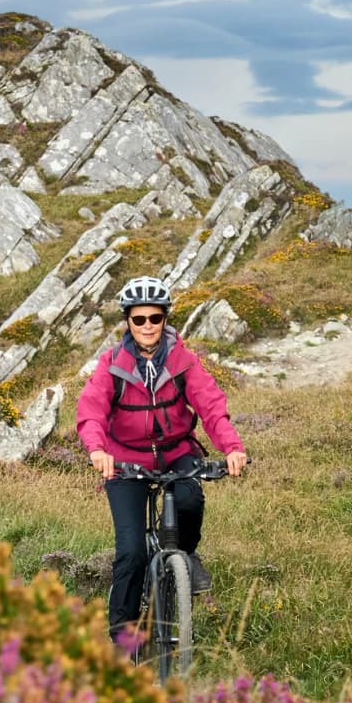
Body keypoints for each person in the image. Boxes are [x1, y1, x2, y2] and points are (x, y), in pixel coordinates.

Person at [75, 275, 248, 648]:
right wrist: (97, 451)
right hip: (124, 462)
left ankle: (184, 556)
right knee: (131, 553)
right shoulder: (111, 365)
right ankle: (123, 644)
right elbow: (90, 411)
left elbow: (211, 407)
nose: (148, 326)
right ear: (128, 322)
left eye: (155, 318)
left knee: (190, 499)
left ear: (166, 320)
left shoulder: (185, 362)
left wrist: (232, 448)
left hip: (176, 452)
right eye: (140, 320)